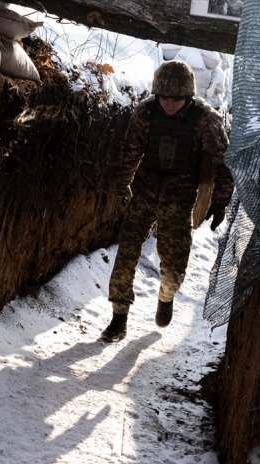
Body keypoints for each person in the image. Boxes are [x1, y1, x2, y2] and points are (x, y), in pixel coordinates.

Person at [100, 60, 233, 343]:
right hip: (145, 191)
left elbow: (224, 162)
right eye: (164, 98)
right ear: (156, 94)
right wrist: (123, 184)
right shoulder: (146, 112)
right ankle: (118, 317)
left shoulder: (205, 120)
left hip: (180, 198)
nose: (170, 104)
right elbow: (131, 150)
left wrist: (220, 202)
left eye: (176, 99)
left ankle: (166, 295)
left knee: (173, 267)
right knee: (126, 255)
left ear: (188, 97)